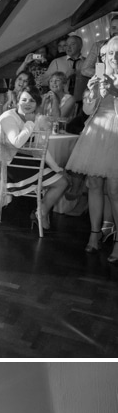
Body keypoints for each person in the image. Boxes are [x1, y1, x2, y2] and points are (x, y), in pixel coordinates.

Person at [0, 84, 70, 229]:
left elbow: (41, 149)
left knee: (63, 181)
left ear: (38, 104)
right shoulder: (8, 117)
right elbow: (17, 142)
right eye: (24, 100)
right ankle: (40, 213)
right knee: (61, 182)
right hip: (9, 165)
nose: (27, 104)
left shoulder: (36, 119)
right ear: (17, 101)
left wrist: (56, 168)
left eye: (32, 101)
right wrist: (29, 123)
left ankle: (41, 212)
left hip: (27, 162)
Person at [68, 33, 118, 255]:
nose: (112, 56)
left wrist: (113, 88)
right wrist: (92, 94)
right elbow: (88, 110)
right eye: (108, 53)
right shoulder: (100, 75)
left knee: (115, 190)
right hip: (97, 132)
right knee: (94, 185)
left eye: (116, 52)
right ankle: (94, 234)